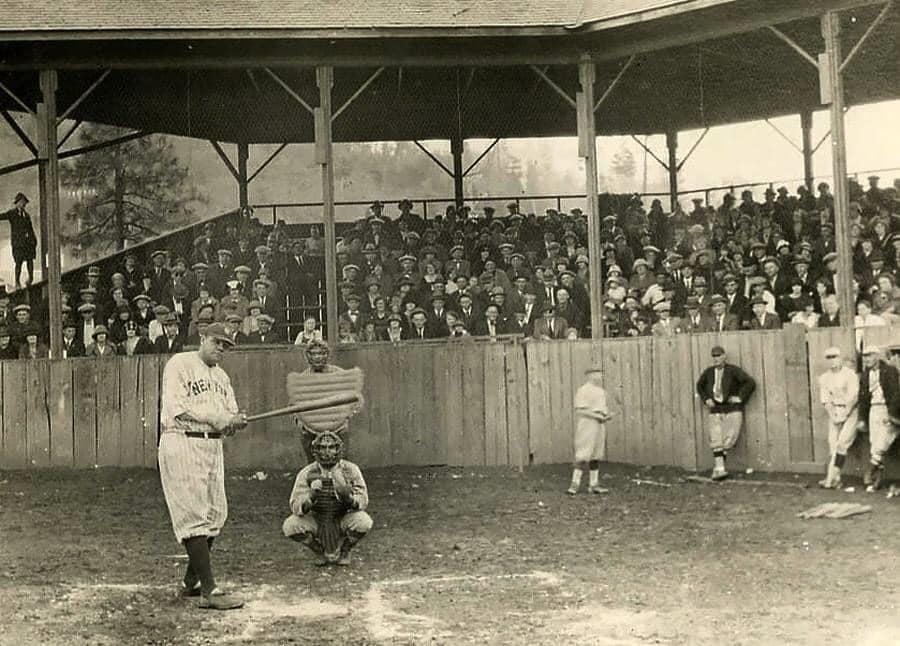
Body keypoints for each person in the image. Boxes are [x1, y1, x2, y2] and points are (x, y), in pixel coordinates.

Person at [158, 322, 248, 610]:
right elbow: (178, 408)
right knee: (194, 513)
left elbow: (228, 414)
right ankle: (210, 590)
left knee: (215, 513)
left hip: (212, 446)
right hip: (182, 441)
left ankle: (191, 583)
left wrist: (235, 421)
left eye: (226, 345)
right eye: (216, 342)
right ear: (202, 338)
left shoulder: (222, 377)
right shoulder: (180, 364)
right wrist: (220, 418)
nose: (221, 348)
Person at [282, 431, 373, 566]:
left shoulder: (350, 469)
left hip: (342, 517)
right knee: (290, 525)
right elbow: (295, 505)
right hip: (318, 519)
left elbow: (363, 498)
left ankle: (345, 550)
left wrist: (349, 499)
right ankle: (318, 550)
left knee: (364, 521)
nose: (327, 451)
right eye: (323, 447)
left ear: (338, 449)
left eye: (331, 447)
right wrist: (311, 496)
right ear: (316, 450)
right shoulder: (307, 472)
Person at [695, 345, 756, 481]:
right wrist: (706, 399)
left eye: (718, 356)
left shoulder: (733, 370)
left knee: (729, 438)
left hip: (731, 408)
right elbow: (699, 386)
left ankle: (719, 468)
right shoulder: (709, 372)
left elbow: (750, 382)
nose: (716, 359)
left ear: (724, 356)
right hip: (716, 408)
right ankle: (720, 469)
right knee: (716, 438)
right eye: (714, 356)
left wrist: (739, 397)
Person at [856, 345, 900, 491]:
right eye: (865, 356)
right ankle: (877, 480)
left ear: (877, 356)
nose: (867, 359)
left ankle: (871, 471)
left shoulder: (890, 371)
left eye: (869, 356)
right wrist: (862, 418)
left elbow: (895, 395)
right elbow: (862, 398)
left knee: (881, 444)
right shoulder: (865, 374)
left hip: (887, 410)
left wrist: (891, 414)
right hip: (873, 410)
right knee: (874, 443)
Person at [817, 346, 859, 489]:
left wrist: (845, 414)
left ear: (840, 358)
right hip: (835, 412)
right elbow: (825, 400)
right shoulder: (824, 378)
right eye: (829, 358)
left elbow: (853, 398)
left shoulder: (850, 375)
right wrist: (833, 416)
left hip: (851, 412)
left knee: (842, 444)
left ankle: (830, 479)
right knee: (832, 446)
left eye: (835, 357)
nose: (832, 360)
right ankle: (836, 478)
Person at [567, 366, 613, 496]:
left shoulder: (601, 391)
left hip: (599, 424)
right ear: (589, 375)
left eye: (600, 373)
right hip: (588, 423)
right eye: (596, 373)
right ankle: (574, 484)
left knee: (596, 454)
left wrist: (605, 416)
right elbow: (580, 410)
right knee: (583, 454)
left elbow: (602, 409)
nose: (599, 376)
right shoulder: (583, 390)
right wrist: (597, 416)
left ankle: (594, 485)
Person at [0, 192, 37, 289]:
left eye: (24, 202)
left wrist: (34, 240)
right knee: (18, 262)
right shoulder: (12, 213)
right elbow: (2, 216)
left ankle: (30, 278)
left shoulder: (27, 215)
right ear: (17, 202)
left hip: (28, 243)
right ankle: (17, 282)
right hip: (18, 244)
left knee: (30, 260)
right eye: (22, 202)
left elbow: (30, 229)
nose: (23, 204)